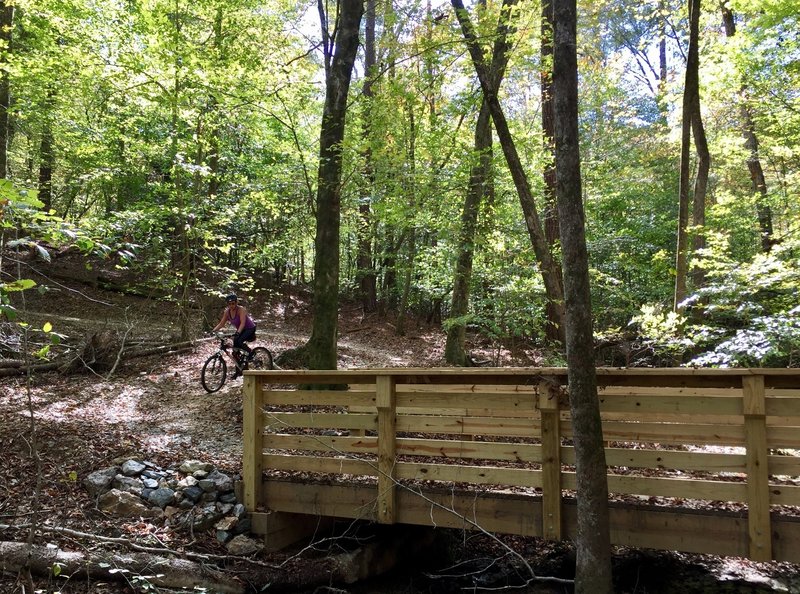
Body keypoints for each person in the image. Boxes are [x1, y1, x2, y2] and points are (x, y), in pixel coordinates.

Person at [212, 293, 257, 378]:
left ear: (236, 303)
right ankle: (239, 371)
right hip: (241, 330)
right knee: (235, 352)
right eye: (229, 304)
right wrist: (214, 330)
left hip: (250, 328)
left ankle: (251, 353)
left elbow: (243, 323)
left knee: (239, 341)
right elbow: (221, 323)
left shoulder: (241, 310)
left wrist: (237, 333)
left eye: (233, 303)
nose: (231, 305)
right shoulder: (227, 312)